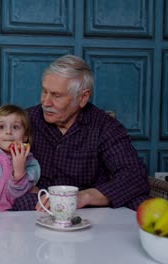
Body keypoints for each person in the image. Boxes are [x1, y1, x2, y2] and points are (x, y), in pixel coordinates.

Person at [11, 54, 151, 212]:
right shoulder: (25, 121)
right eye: (44, 92)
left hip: (90, 208)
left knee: (141, 202)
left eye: (56, 95)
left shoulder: (104, 126)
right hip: (40, 203)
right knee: (19, 203)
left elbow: (134, 175)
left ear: (83, 97)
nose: (45, 102)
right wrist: (26, 185)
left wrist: (85, 197)